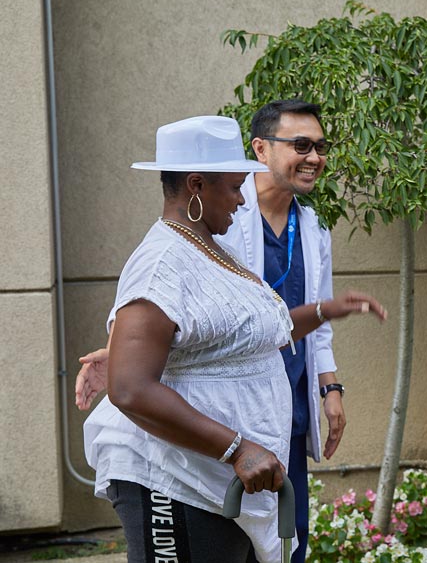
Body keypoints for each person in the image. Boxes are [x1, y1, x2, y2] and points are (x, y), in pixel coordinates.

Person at [78, 101, 387, 563]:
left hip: (217, 481)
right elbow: (129, 388)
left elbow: (257, 331)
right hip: (175, 479)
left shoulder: (211, 248)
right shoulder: (163, 261)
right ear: (197, 186)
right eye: (235, 188)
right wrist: (237, 448)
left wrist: (326, 310)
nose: (243, 200)